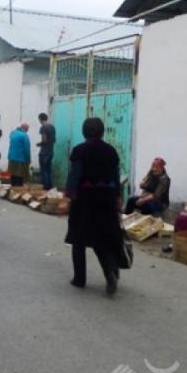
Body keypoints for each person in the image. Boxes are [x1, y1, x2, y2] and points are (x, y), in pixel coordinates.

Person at [65, 118, 124, 297]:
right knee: (101, 239)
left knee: (78, 239)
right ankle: (110, 273)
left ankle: (79, 278)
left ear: (84, 131)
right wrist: (118, 197)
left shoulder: (80, 150)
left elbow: (75, 175)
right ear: (102, 131)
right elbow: (116, 176)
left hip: (84, 200)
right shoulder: (111, 151)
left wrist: (69, 196)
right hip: (106, 200)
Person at [37, 113, 56, 190]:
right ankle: (50, 187)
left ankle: (44, 188)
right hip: (51, 151)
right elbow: (54, 140)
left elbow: (44, 140)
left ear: (40, 119)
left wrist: (39, 144)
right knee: (48, 171)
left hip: (44, 152)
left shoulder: (43, 127)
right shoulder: (52, 127)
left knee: (43, 171)